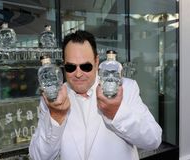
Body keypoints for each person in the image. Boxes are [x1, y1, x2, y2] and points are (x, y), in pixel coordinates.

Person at [29, 30, 162, 160]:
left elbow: (153, 140)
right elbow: (38, 156)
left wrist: (116, 113)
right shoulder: (54, 98)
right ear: (64, 64)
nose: (78, 74)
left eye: (85, 66)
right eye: (71, 67)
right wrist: (56, 116)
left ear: (97, 61)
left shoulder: (126, 88)